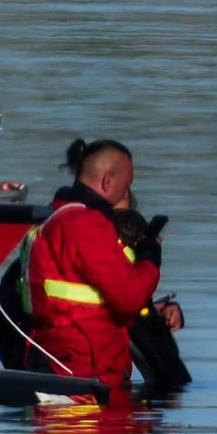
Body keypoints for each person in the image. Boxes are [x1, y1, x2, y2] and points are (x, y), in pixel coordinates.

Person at [20, 138, 185, 392]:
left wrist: (152, 308)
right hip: (82, 374)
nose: (126, 191)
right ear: (108, 180)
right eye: (127, 184)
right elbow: (128, 296)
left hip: (60, 364)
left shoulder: (54, 217)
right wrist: (150, 257)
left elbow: (86, 294)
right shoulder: (85, 224)